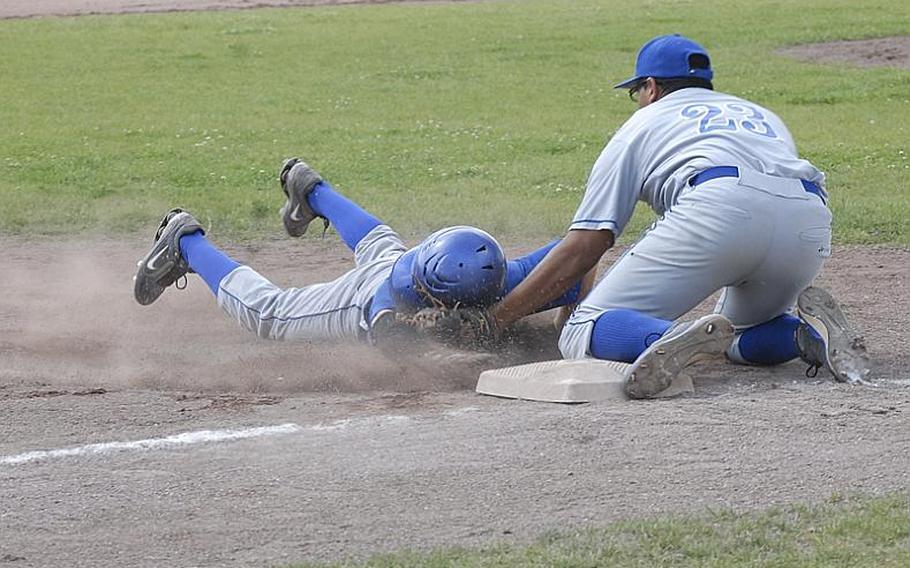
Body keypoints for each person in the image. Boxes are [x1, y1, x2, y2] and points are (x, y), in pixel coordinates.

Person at [477, 34, 869, 398]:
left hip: (720, 208)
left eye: (636, 92)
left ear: (650, 87)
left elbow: (588, 243)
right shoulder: (760, 115)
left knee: (583, 328)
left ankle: (672, 337)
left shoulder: (643, 123)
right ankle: (806, 336)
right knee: (733, 335)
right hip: (808, 222)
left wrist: (496, 321)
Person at [133, 158, 589, 352]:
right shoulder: (389, 302)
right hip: (363, 295)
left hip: (405, 260)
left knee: (380, 245)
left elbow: (579, 261)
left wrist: (566, 316)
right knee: (270, 315)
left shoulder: (494, 275)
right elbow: (403, 349)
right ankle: (186, 242)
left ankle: (310, 189)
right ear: (433, 297)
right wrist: (446, 342)